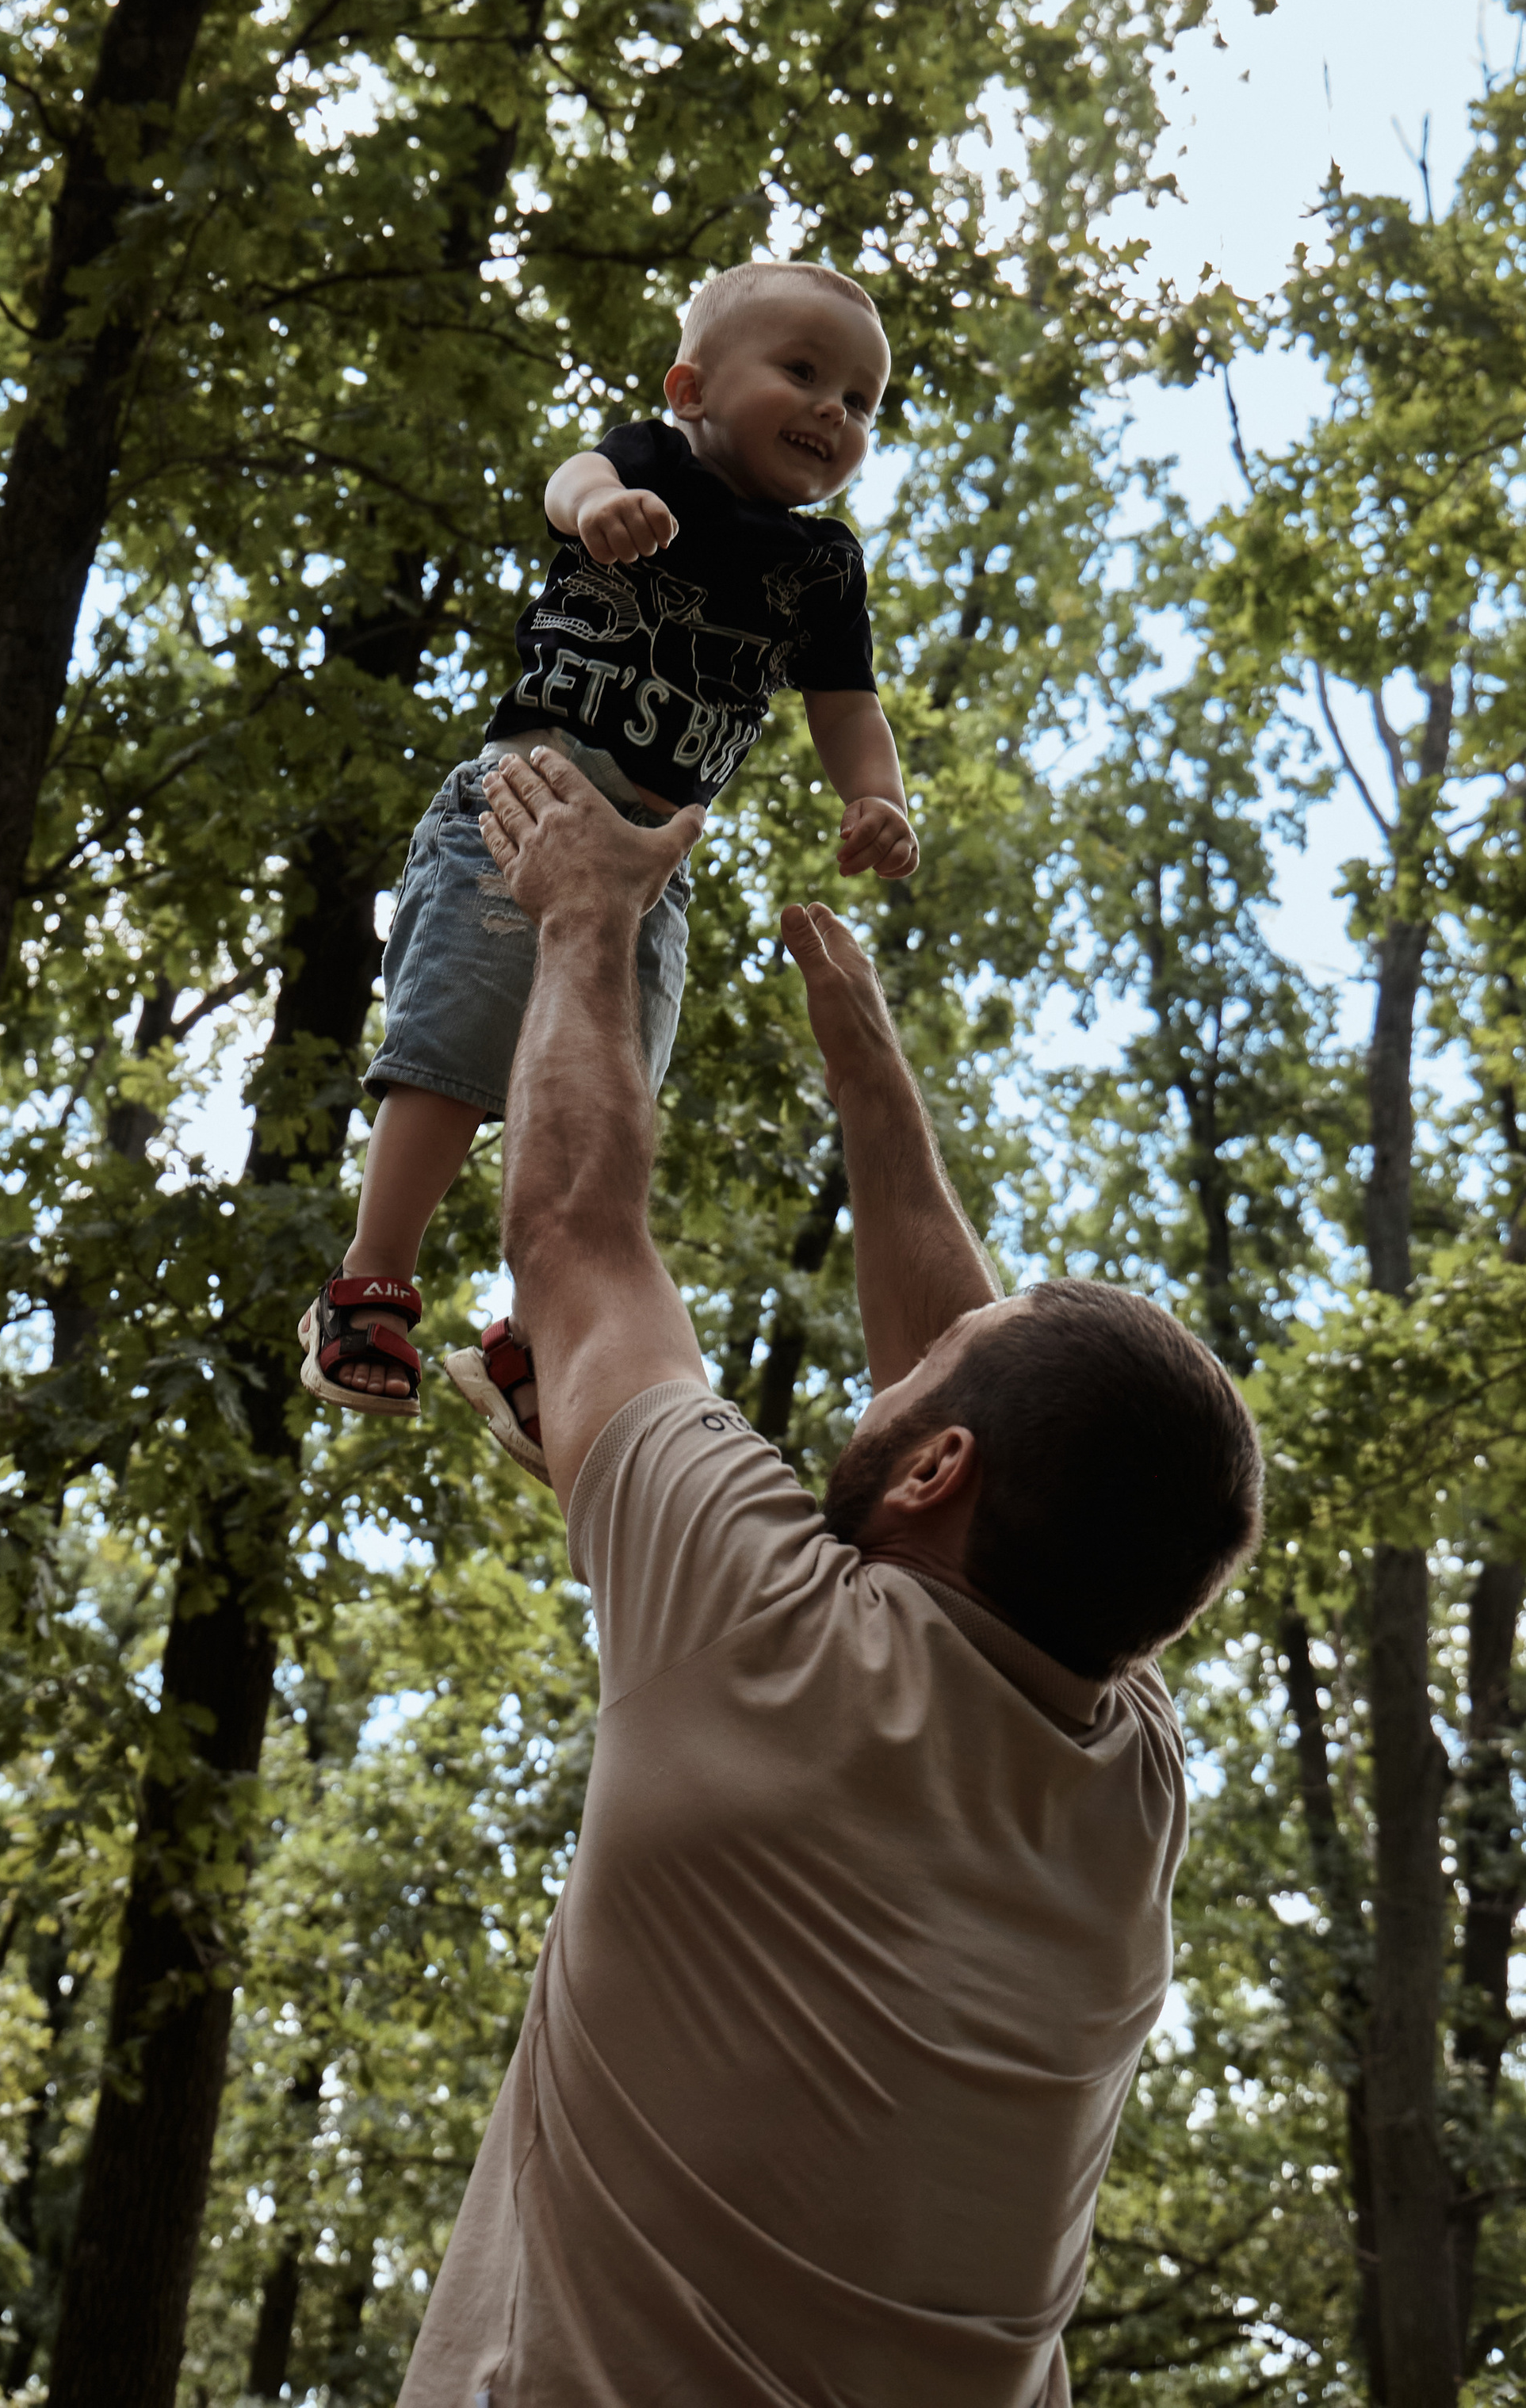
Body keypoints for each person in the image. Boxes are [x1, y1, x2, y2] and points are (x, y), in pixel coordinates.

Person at [399, 746, 1264, 2408]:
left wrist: (582, 916)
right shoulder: (1124, 1785)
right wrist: (866, 1074)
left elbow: (575, 1233)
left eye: (918, 1375)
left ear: (936, 1472)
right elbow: (1023, 1431)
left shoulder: (764, 1629)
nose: (893, 1370)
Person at [296, 260, 920, 1436]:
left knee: (607, 1100)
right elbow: (569, 479)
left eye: (861, 400)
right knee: (456, 1045)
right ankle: (369, 1286)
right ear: (691, 388)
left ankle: (536, 1345)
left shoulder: (823, 566)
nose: (833, 410)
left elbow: (847, 707)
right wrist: (594, 511)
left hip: (647, 869)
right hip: (528, 801)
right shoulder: (651, 465)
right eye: (802, 373)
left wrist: (877, 797)